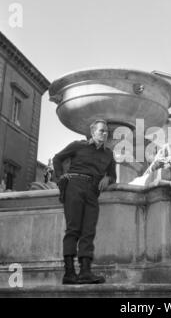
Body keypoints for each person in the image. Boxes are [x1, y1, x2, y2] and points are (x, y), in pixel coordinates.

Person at [53, 119, 116, 285]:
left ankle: (85, 271)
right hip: (74, 185)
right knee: (73, 229)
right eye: (101, 130)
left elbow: (113, 174)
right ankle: (69, 273)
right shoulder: (78, 145)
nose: (104, 134)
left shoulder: (108, 154)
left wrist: (108, 177)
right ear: (93, 132)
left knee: (89, 231)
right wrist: (60, 178)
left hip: (92, 191)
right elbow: (57, 159)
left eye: (107, 131)